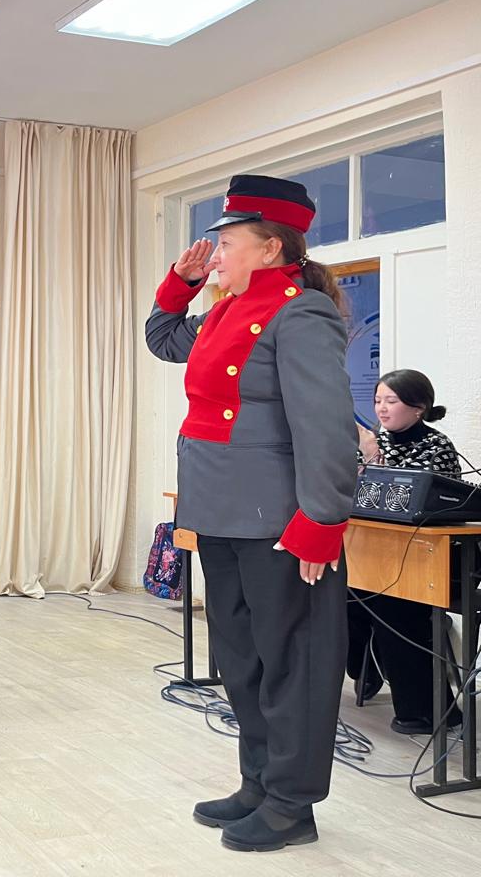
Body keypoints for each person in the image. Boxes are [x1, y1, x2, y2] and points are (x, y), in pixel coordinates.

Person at [145, 175, 357, 852]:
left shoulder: (301, 314)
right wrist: (180, 285)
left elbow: (326, 427)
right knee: (241, 662)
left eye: (227, 242)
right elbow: (163, 340)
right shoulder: (224, 310)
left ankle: (293, 803)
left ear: (270, 247)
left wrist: (322, 520)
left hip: (277, 523)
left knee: (292, 664)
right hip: (220, 512)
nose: (216, 254)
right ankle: (259, 783)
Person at [350, 369, 464, 733]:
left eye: (391, 401)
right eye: (378, 401)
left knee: (392, 605)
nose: (381, 409)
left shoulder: (436, 446)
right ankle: (366, 668)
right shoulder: (376, 441)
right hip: (381, 554)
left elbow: (410, 501)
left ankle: (425, 712)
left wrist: (372, 457)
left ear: (418, 407)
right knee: (340, 593)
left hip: (432, 558)